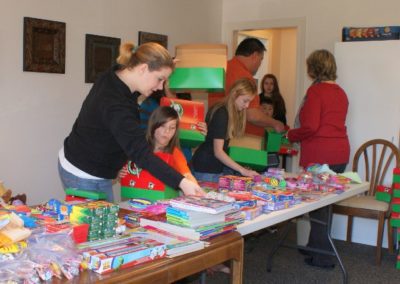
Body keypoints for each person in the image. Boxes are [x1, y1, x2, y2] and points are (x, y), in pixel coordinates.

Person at [58, 41, 205, 202]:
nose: (160, 87)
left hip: (98, 169)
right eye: (159, 79)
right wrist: (181, 182)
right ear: (143, 68)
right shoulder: (115, 102)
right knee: (95, 226)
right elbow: (141, 153)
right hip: (83, 171)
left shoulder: (117, 76)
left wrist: (164, 64)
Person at [287, 49, 350, 269]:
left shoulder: (316, 92)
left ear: (314, 68)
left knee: (318, 204)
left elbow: (311, 127)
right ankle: (315, 246)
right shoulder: (341, 92)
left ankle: (323, 257)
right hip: (340, 152)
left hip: (320, 155)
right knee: (323, 204)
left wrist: (290, 135)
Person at [192, 78, 260, 183]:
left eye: (249, 102)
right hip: (206, 169)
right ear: (235, 94)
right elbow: (218, 152)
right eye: (245, 101)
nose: (247, 106)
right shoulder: (222, 113)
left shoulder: (227, 111)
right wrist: (243, 170)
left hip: (212, 167)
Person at [224, 38, 285, 136]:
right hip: (239, 138)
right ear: (255, 56)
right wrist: (275, 123)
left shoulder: (224, 68)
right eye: (261, 60)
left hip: (221, 134)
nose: (259, 65)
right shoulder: (245, 76)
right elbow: (252, 115)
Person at [146, 106, 197, 184]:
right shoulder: (141, 148)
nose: (167, 131)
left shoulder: (175, 153)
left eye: (172, 127)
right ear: (153, 125)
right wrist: (121, 174)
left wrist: (192, 184)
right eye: (163, 126)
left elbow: (187, 176)